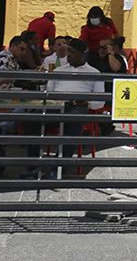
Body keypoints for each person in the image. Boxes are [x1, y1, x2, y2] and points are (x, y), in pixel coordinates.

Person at [20, 38, 104, 179]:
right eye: (67, 52)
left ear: (82, 54)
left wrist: (86, 102)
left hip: (78, 106)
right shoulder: (58, 70)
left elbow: (99, 101)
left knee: (74, 120)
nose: (68, 55)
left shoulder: (95, 73)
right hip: (56, 105)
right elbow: (49, 91)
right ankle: (33, 167)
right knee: (32, 120)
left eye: (72, 52)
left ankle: (59, 167)